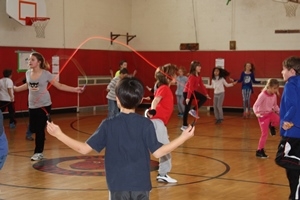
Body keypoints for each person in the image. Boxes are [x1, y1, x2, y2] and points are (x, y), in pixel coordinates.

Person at [46, 77, 195, 200]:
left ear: (117, 99)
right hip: (140, 186)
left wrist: (59, 134)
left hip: (117, 186)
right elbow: (158, 152)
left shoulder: (108, 124)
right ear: (139, 100)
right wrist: (183, 137)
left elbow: (83, 149)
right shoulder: (145, 124)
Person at [14, 52, 84, 161]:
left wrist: (75, 89)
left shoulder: (46, 74)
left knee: (39, 129)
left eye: (32, 60)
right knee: (33, 128)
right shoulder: (28, 73)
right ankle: (40, 141)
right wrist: (16, 89)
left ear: (39, 62)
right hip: (32, 105)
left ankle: (38, 152)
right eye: (29, 60)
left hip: (44, 105)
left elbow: (59, 86)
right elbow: (28, 85)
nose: (30, 62)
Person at [145, 63, 179, 183]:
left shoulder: (164, 88)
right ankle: (163, 174)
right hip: (157, 122)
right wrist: (153, 110)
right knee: (166, 148)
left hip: (158, 123)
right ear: (169, 76)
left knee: (158, 147)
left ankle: (162, 173)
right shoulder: (164, 88)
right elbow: (156, 100)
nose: (177, 77)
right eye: (175, 75)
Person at [276, 56, 300, 200]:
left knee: (282, 158)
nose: (281, 72)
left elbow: (293, 105)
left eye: (284, 69)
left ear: (291, 71)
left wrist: (287, 120)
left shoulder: (291, 84)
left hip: (292, 132)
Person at [253, 78, 280, 158]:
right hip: (262, 115)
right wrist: (257, 113)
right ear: (269, 87)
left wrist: (280, 112)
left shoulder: (274, 95)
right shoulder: (262, 95)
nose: (276, 90)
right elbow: (255, 105)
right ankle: (259, 150)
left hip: (270, 113)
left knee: (279, 120)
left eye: (277, 88)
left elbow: (275, 106)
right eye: (274, 88)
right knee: (264, 134)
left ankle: (271, 125)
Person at [181, 60, 211, 131]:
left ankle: (193, 110)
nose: (200, 67)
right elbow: (190, 87)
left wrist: (206, 94)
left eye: (200, 66)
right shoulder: (192, 76)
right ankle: (184, 125)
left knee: (204, 98)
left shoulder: (198, 76)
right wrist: (188, 98)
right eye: (198, 66)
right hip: (187, 92)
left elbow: (202, 85)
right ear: (194, 67)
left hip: (192, 92)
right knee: (186, 109)